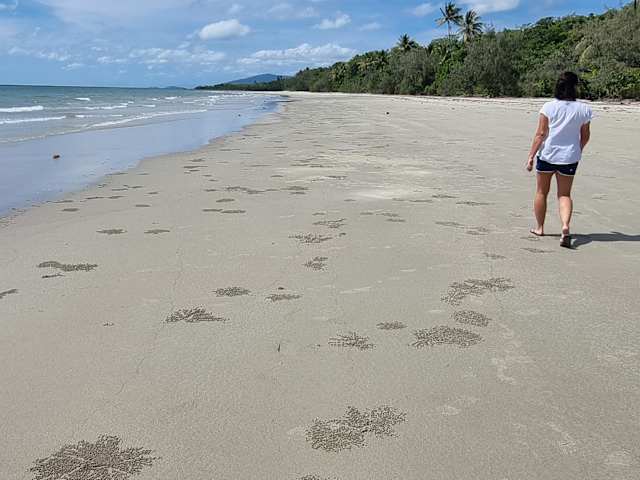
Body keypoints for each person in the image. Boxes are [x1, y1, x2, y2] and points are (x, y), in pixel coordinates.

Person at [526, 71, 593, 248]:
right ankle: (565, 226)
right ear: (575, 87)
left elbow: (541, 134)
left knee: (541, 192)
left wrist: (531, 156)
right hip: (569, 157)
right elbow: (585, 135)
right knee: (564, 194)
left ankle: (540, 227)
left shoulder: (548, 107)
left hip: (547, 155)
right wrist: (578, 149)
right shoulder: (584, 109)